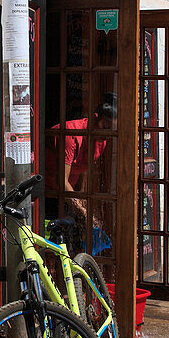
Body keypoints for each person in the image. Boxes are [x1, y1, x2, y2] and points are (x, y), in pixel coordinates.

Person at [45, 92, 117, 255]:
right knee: (52, 243)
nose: (105, 134)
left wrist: (83, 201)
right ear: (94, 117)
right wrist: (83, 212)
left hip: (69, 192)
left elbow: (85, 168)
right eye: (104, 127)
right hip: (48, 189)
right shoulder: (71, 135)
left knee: (76, 239)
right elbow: (61, 181)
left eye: (111, 130)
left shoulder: (102, 139)